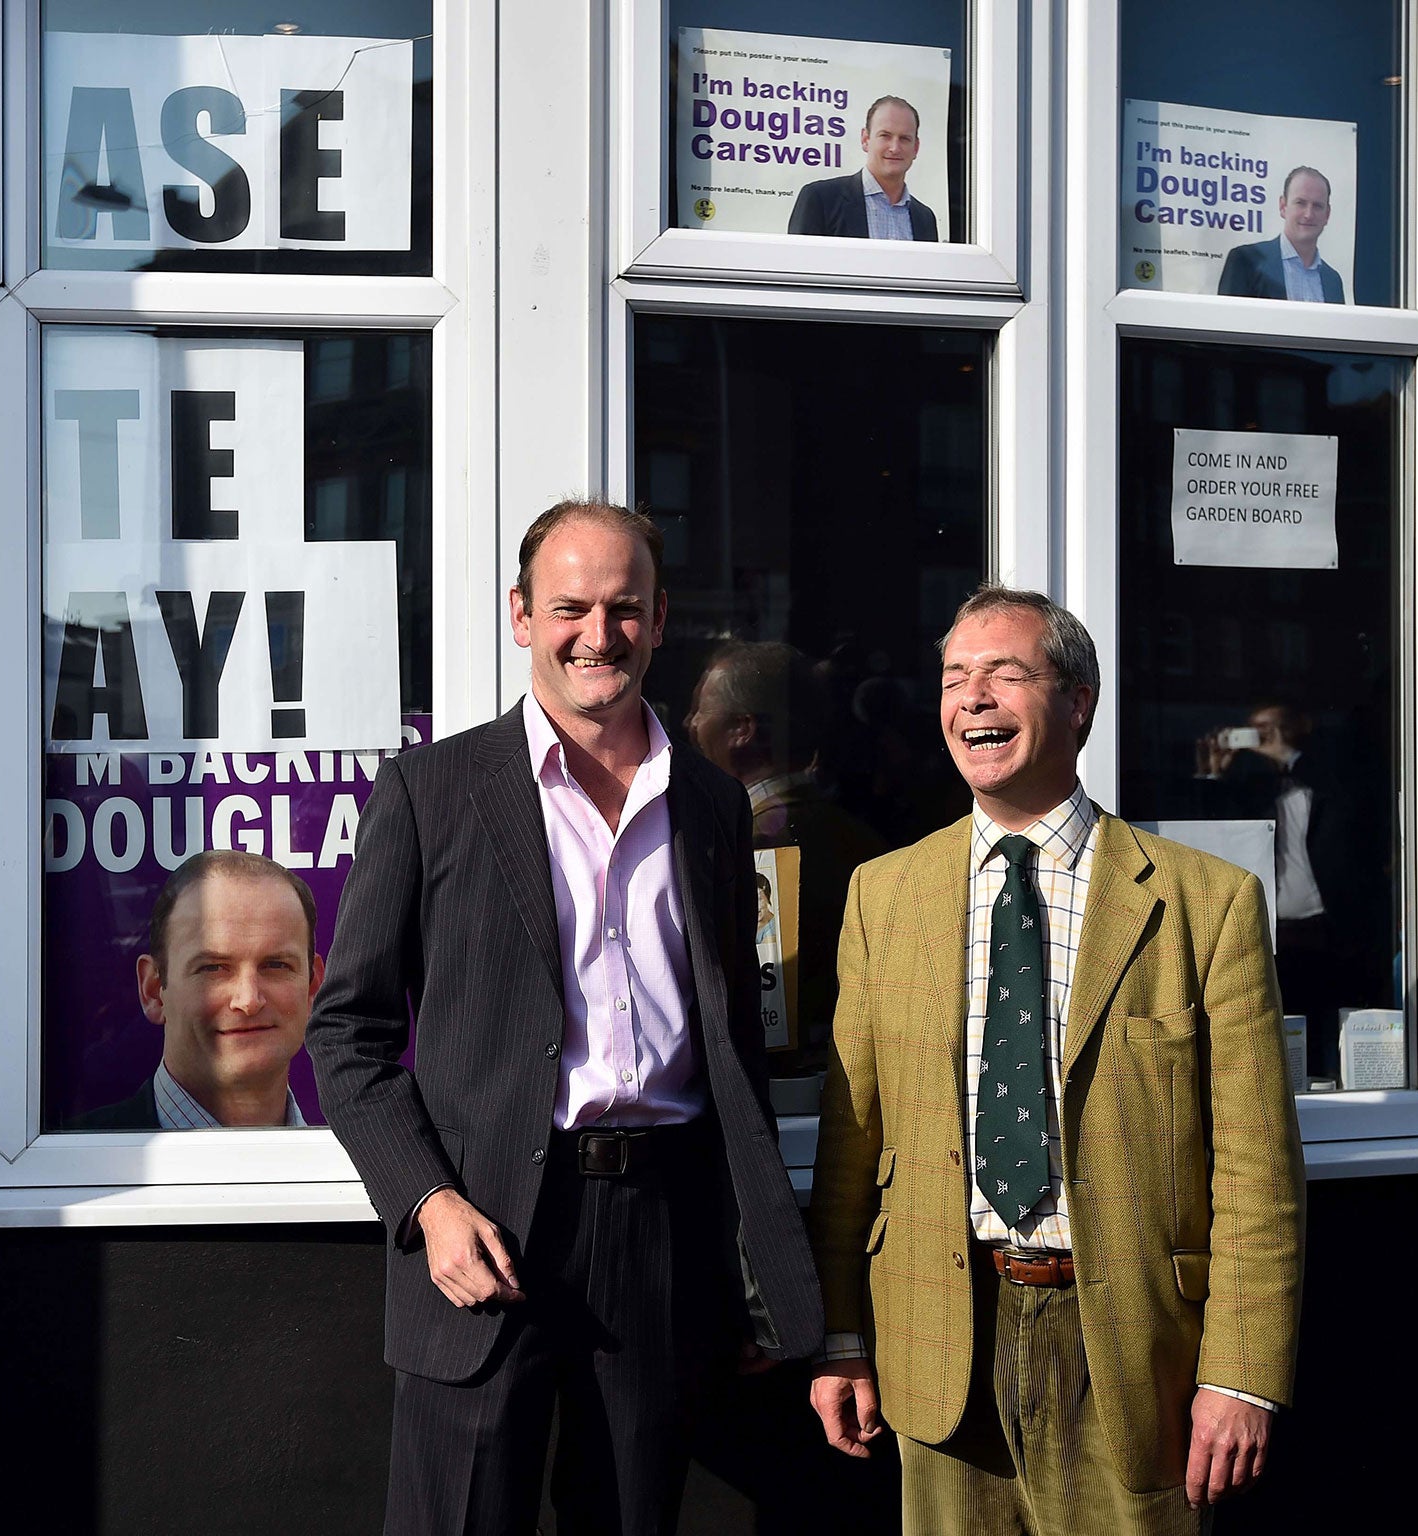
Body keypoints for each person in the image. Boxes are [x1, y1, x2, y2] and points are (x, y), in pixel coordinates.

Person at [310, 500, 822, 1535]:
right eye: (570, 607)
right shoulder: (430, 789)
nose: (600, 634)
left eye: (624, 607)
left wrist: (753, 1254)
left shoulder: (714, 806)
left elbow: (730, 1049)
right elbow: (346, 1033)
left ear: (661, 617)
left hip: (663, 1233)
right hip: (486, 1230)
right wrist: (426, 1203)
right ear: (519, 615)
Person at [806, 585, 1304, 1534]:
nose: (972, 699)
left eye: (1005, 674)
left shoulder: (1209, 905)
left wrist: (1243, 1372)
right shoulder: (885, 893)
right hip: (939, 1332)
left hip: (1131, 1345)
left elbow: (1256, 1169)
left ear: (1079, 701)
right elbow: (851, 1139)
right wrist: (838, 1333)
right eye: (954, 678)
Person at [684, 640, 885, 1063]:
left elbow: (772, 1017)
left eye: (702, 711)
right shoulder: (854, 835)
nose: (690, 724)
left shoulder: (762, 844)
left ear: (742, 729)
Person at [73, 849, 320, 1130]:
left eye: (276, 965)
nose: (249, 1000)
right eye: (213, 968)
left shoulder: (358, 1159)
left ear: (313, 986)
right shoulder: (68, 1166)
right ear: (154, 990)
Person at [1198, 705, 1365, 1083]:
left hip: (1324, 929)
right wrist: (1213, 773)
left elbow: (1347, 800)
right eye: (1254, 729)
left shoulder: (1326, 776)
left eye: (1271, 728)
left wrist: (1287, 755)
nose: (1262, 736)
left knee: (1327, 1035)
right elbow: (1215, 832)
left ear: (1295, 729)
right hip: (1271, 931)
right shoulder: (1254, 789)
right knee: (1268, 1035)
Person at [788, 97, 939, 242]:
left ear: (916, 148)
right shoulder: (820, 200)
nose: (895, 148)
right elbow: (798, 264)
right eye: (885, 136)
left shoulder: (924, 219)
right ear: (865, 140)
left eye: (904, 138)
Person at [1217, 166, 1345, 303]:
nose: (1308, 214)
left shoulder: (1333, 281)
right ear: (1283, 207)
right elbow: (1227, 322)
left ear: (1327, 214)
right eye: (1300, 203)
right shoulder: (1245, 262)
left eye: (1317, 206)